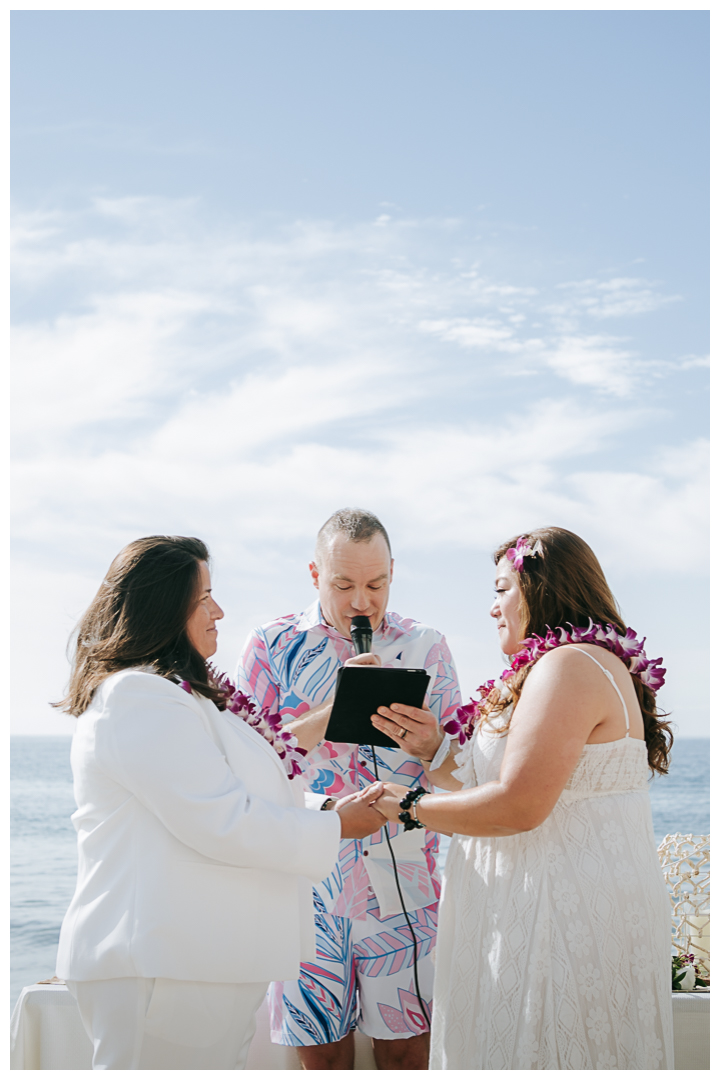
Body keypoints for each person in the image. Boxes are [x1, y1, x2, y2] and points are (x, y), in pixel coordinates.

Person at [53, 535, 383, 1070]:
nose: (219, 611)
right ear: (163, 608)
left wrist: (327, 808)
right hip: (164, 964)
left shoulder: (181, 695)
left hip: (198, 960)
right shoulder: (140, 696)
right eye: (204, 598)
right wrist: (337, 827)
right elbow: (220, 820)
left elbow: (245, 783)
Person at [370, 527, 675, 1070]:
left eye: (501, 588)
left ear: (541, 589)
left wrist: (406, 804)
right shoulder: (581, 663)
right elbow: (510, 788)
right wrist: (435, 748)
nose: (492, 608)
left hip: (554, 919)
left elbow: (517, 807)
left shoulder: (567, 667)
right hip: (552, 904)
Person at [235, 508, 462, 1070]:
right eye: (344, 585)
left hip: (407, 889)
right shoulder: (270, 645)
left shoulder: (427, 646)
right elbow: (248, 765)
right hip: (306, 886)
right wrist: (338, 707)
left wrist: (433, 745)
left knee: (410, 1051)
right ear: (315, 574)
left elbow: (463, 775)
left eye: (376, 584)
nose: (362, 601)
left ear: (392, 574)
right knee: (321, 1055)